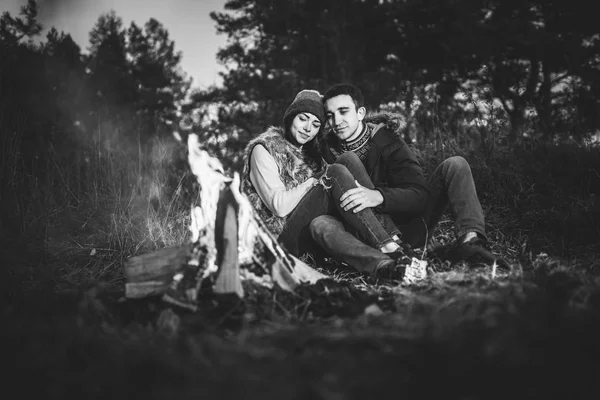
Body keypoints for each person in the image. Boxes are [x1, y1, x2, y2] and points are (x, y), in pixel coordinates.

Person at [241, 89, 426, 283]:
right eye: (302, 119)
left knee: (323, 221)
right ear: (290, 117)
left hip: (308, 231)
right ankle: (391, 246)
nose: (307, 128)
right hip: (280, 240)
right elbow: (279, 206)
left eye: (315, 124)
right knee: (336, 171)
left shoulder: (312, 155)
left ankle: (388, 267)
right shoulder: (264, 149)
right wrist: (313, 181)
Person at [310, 83, 501, 269]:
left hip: (408, 226)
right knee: (322, 224)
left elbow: (419, 195)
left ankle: (472, 243)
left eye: (343, 112)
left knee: (456, 164)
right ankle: (388, 261)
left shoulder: (387, 141)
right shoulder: (325, 149)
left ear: (360, 113)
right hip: (364, 230)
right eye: (330, 115)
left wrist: (378, 196)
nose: (336, 121)